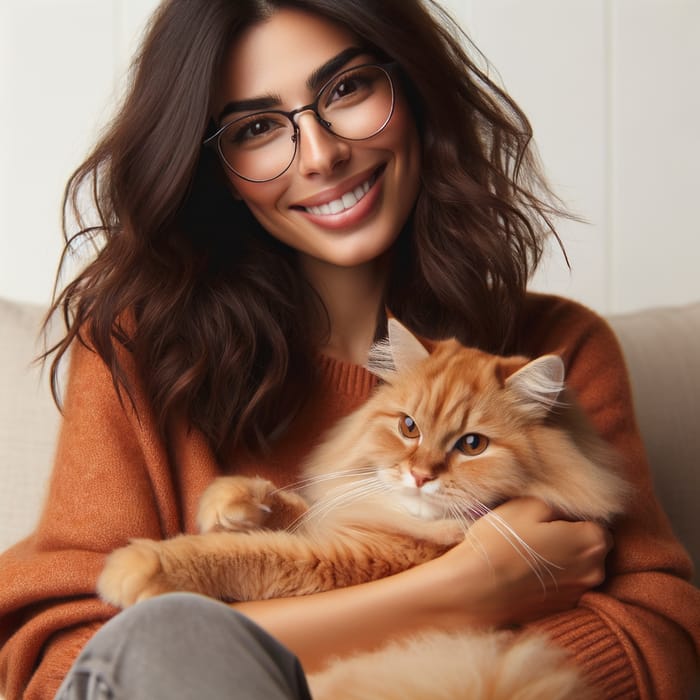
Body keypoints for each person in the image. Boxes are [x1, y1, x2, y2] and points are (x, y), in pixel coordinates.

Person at [0, 0, 698, 698]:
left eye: (346, 89)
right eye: (258, 127)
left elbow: (654, 638)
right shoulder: (137, 351)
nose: (322, 154)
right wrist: (461, 591)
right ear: (220, 173)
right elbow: (80, 666)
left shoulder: (558, 349)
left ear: (415, 94)